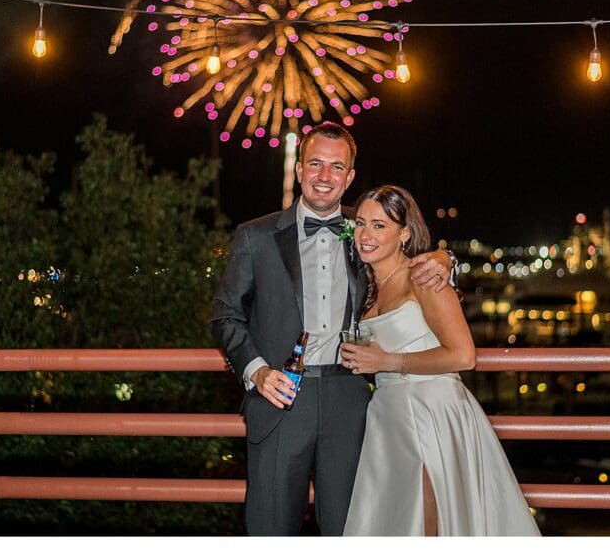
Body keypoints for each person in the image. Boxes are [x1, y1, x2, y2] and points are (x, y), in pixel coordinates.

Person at [209, 123, 455, 536]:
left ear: (350, 178)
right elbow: (224, 314)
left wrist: (447, 260)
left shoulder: (366, 233)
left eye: (336, 167)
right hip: (281, 398)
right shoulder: (255, 236)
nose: (325, 176)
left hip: (351, 402)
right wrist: (258, 372)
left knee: (352, 529)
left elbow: (410, 264)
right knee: (270, 529)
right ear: (301, 169)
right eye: (316, 164)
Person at [340, 185, 540, 536]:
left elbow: (464, 355)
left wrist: (385, 362)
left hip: (431, 413)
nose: (365, 235)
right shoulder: (367, 281)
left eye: (379, 225)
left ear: (404, 233)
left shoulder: (424, 277)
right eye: (359, 224)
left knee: (428, 522)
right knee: (395, 522)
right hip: (388, 417)